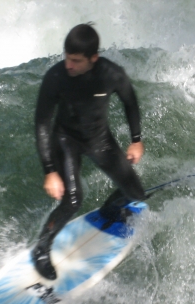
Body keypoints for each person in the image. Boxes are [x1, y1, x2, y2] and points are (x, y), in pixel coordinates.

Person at [32, 23, 146, 280]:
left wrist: (136, 140)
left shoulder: (111, 74)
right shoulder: (56, 77)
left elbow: (130, 102)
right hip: (66, 140)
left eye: (75, 60)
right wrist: (49, 171)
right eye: (66, 57)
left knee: (137, 194)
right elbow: (41, 124)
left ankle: (111, 209)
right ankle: (42, 248)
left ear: (93, 58)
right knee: (72, 200)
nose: (68, 65)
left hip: (99, 139)